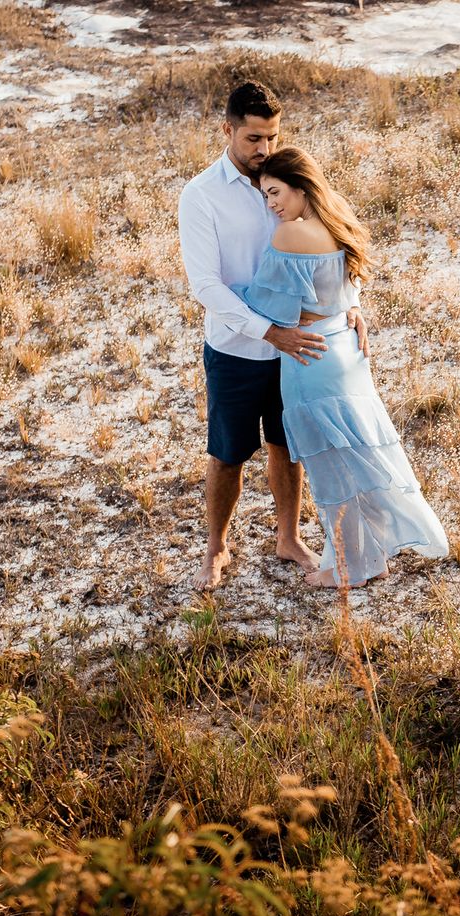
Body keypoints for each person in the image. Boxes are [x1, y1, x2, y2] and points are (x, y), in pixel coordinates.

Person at [175, 80, 365, 590]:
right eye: (254, 139)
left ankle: (288, 536)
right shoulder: (200, 196)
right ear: (228, 131)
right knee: (228, 451)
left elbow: (333, 245)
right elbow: (206, 286)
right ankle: (216, 546)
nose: (264, 150)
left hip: (296, 352)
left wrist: (351, 304)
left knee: (288, 444)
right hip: (236, 349)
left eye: (272, 138)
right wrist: (269, 332)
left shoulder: (287, 179)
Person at [234, 146, 448, 588]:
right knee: (358, 455)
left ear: (299, 185)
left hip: (310, 359)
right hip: (347, 352)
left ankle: (345, 568)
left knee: (331, 468)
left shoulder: (290, 235)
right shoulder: (338, 221)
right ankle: (369, 556)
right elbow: (347, 290)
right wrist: (352, 309)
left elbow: (266, 304)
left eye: (275, 192)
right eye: (265, 197)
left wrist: (223, 289)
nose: (272, 204)